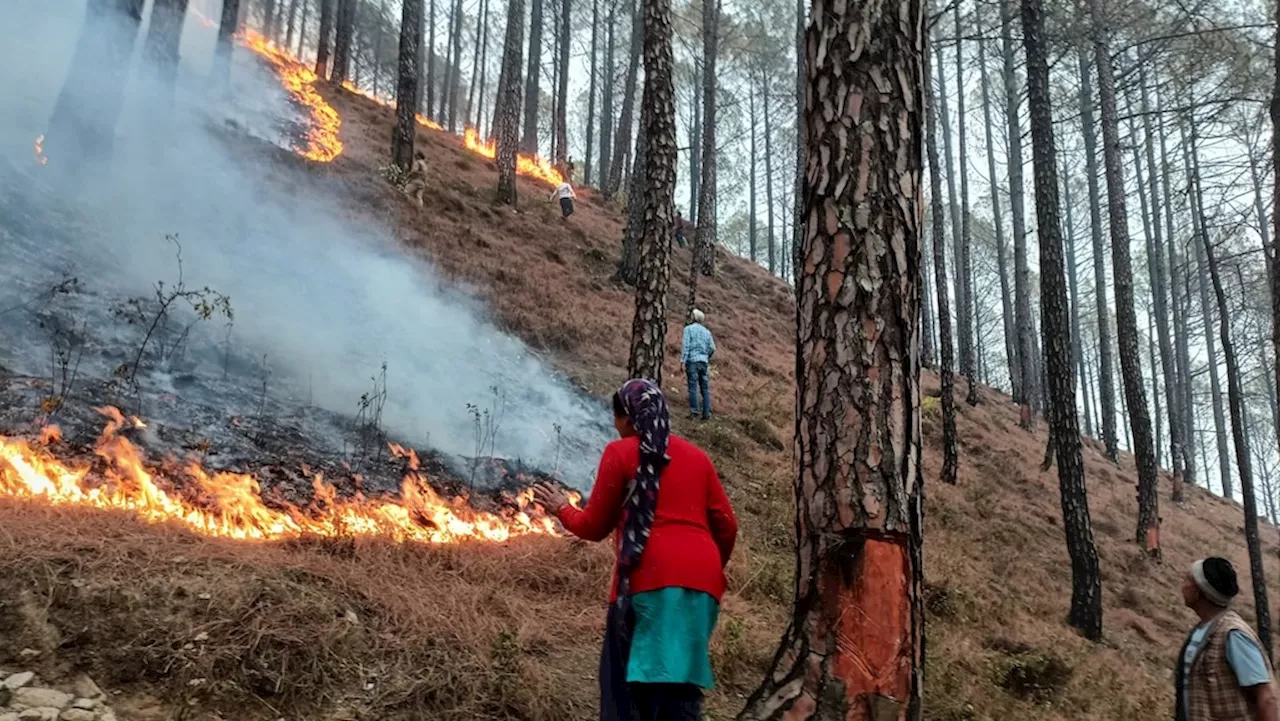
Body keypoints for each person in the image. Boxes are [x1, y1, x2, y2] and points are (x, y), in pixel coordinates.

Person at [532, 379, 737, 721]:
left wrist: (561, 508)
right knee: (680, 686)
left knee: (624, 691)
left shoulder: (622, 452)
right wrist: (710, 568)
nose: (615, 427)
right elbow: (727, 525)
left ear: (627, 418)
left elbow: (594, 527)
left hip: (647, 582)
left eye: (616, 419)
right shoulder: (697, 457)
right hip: (703, 588)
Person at [1175, 557, 1277, 721]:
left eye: (1188, 580)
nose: (1183, 585)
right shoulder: (1202, 629)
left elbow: (1267, 698)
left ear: (1198, 591)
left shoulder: (1233, 635)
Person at [681, 309, 715, 420]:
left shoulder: (688, 329)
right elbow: (712, 348)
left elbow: (686, 346)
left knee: (693, 387)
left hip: (692, 361)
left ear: (693, 318)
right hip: (703, 362)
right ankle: (706, 413)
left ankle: (694, 411)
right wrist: (706, 356)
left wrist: (683, 361)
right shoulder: (707, 332)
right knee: (705, 388)